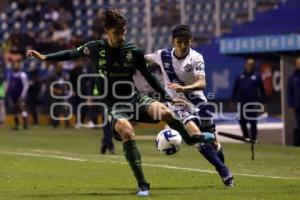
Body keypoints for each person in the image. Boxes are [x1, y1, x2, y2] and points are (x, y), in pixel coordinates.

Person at [26, 8, 215, 197]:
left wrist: (167, 95)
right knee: (126, 131)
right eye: (117, 33)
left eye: (124, 32)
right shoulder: (94, 48)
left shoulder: (133, 51)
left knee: (166, 112)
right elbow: (70, 54)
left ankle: (190, 138)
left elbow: (149, 76)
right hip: (114, 105)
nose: (122, 36)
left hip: (134, 98)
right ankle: (143, 185)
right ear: (107, 31)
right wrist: (45, 57)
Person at [145, 25, 234, 187]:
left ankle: (222, 171)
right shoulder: (162, 55)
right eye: (179, 42)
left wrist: (183, 88)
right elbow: (143, 59)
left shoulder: (196, 58)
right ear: (173, 41)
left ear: (191, 41)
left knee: (213, 142)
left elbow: (202, 83)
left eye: (186, 42)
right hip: (177, 104)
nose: (183, 46)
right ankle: (224, 171)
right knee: (196, 136)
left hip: (199, 102)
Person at [232, 58, 267, 143]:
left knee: (253, 121)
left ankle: (253, 139)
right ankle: (246, 137)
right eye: (248, 63)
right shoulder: (240, 76)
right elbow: (235, 89)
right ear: (245, 64)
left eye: (252, 64)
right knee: (242, 121)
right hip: (242, 103)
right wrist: (232, 100)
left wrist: (263, 102)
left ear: (253, 65)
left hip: (253, 103)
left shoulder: (257, 76)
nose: (250, 65)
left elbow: (262, 90)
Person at [6, 56, 29, 130]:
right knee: (15, 110)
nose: (15, 66)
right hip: (13, 95)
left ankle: (25, 124)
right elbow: (10, 85)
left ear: (19, 67)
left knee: (22, 108)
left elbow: (26, 86)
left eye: (17, 65)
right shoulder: (11, 74)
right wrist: (9, 92)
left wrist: (22, 96)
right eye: (14, 65)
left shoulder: (22, 75)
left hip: (20, 95)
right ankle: (17, 124)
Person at [287, 57, 300, 134]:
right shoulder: (292, 76)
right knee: (299, 123)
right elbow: (289, 91)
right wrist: (290, 103)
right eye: (298, 63)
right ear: (296, 64)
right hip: (297, 104)